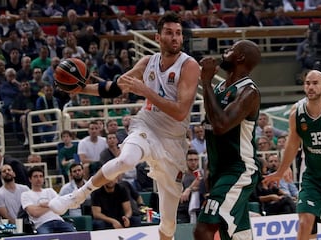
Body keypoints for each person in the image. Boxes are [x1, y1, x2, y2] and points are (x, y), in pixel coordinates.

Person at [49, 12, 200, 240]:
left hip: (174, 142)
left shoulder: (189, 66)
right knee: (126, 159)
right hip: (147, 124)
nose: (175, 38)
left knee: (168, 224)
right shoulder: (146, 62)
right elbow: (115, 88)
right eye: (169, 33)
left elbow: (180, 112)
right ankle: (77, 196)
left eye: (178, 33)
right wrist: (81, 89)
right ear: (158, 37)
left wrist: (146, 91)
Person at [263, 70, 321, 239]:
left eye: (315, 83)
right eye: (307, 83)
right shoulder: (297, 113)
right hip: (313, 177)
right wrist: (281, 170)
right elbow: (293, 142)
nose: (310, 87)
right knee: (304, 224)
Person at [193, 39, 261, 240]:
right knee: (236, 236)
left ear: (240, 57)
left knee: (203, 229)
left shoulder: (249, 92)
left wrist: (205, 82)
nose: (225, 51)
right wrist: (209, 169)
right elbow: (211, 127)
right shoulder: (221, 87)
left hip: (238, 170)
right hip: (219, 171)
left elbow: (220, 126)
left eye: (230, 49)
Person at [21, 166, 76, 234]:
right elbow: (34, 213)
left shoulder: (50, 191)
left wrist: (41, 206)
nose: (38, 179)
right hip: (42, 224)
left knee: (75, 235)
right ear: (30, 179)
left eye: (41, 176)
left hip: (58, 221)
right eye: (35, 176)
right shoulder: (26, 194)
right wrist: (52, 205)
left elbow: (60, 205)